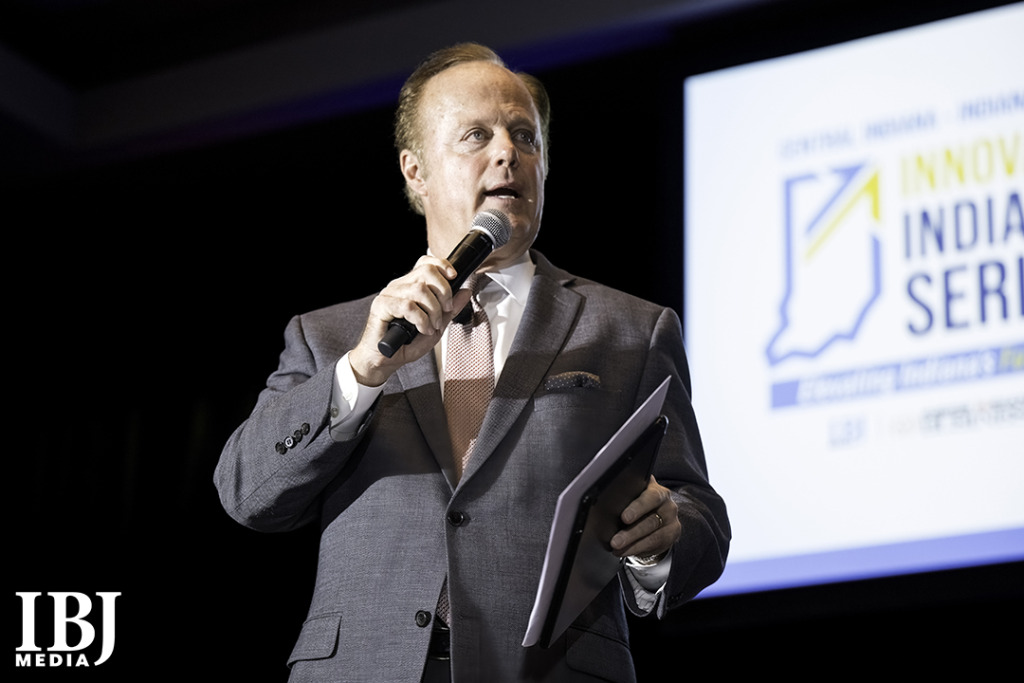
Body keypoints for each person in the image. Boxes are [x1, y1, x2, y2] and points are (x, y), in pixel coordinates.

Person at [215, 42, 730, 682]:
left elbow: (696, 511)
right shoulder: (332, 336)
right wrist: (362, 372)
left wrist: (662, 540)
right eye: (476, 136)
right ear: (416, 171)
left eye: (525, 137)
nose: (508, 153)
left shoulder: (631, 329)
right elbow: (247, 492)